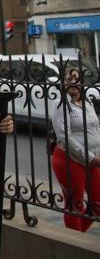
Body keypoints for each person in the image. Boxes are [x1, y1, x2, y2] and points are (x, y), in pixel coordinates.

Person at [51, 69, 100, 232]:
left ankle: (80, 234)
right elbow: (64, 137)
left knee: (98, 203)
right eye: (69, 78)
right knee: (75, 204)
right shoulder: (60, 103)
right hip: (69, 160)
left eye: (76, 78)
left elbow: (96, 127)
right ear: (62, 83)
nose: (73, 81)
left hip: (94, 159)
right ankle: (75, 240)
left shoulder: (88, 102)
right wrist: (91, 158)